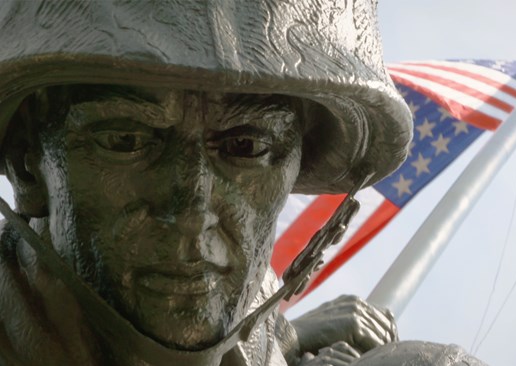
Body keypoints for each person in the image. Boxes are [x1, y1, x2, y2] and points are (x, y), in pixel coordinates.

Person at [0, 1, 411, 365]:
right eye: (127, 141)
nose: (192, 215)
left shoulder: (257, 318)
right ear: (25, 164)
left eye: (246, 146)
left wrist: (290, 340)